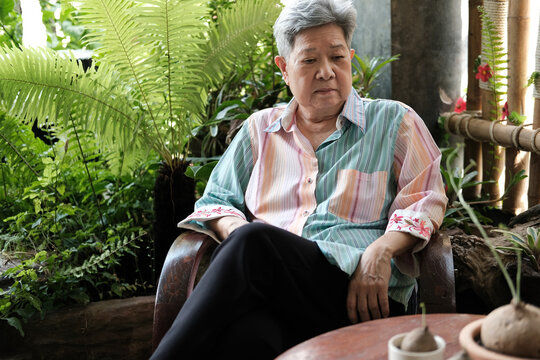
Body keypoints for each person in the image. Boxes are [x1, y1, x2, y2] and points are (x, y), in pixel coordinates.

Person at [150, 0, 447, 358]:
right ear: (284, 69)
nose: (326, 71)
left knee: (253, 241)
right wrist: (237, 234)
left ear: (350, 58)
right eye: (309, 60)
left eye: (337, 58)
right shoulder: (259, 131)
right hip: (273, 295)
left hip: (360, 295)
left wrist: (380, 251)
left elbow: (426, 199)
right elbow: (215, 201)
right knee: (248, 337)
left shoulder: (394, 122)